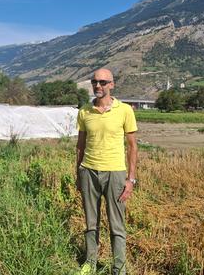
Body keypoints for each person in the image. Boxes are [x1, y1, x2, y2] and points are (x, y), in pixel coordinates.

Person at [74, 68, 138, 275]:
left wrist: (131, 180)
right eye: (94, 82)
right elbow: (80, 146)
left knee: (116, 225)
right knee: (90, 222)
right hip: (89, 172)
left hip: (116, 174)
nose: (98, 86)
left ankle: (119, 269)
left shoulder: (125, 110)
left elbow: (132, 147)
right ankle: (90, 264)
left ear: (112, 84)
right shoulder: (84, 111)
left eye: (103, 82)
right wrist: (78, 174)